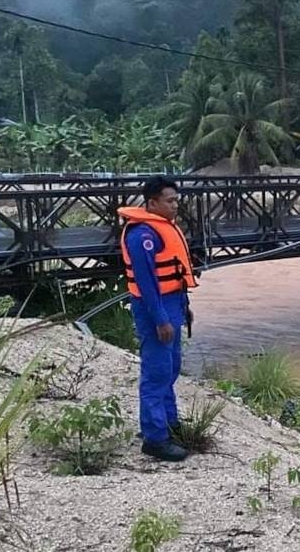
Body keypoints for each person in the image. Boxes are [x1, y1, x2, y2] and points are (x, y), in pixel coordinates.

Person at [117, 176, 197, 462]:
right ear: (152, 203)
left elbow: (175, 276)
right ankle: (155, 438)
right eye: (170, 201)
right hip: (154, 308)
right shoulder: (142, 235)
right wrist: (161, 319)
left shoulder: (164, 228)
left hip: (172, 303)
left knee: (171, 367)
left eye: (177, 200)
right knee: (157, 372)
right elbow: (147, 282)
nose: (176, 206)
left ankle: (169, 423)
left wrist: (183, 307)